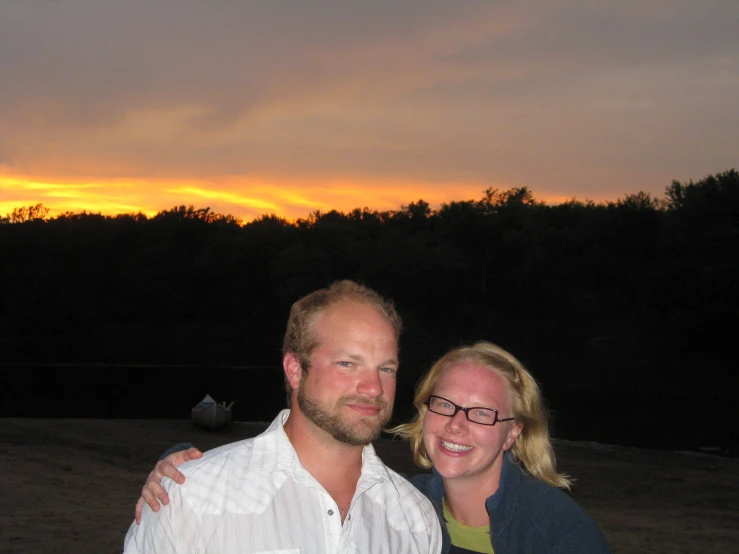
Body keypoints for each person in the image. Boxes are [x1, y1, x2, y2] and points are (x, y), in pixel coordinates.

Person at [137, 341, 612, 553]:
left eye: (482, 412)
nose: (457, 425)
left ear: (513, 432)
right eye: (444, 404)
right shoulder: (405, 506)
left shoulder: (558, 534)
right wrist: (182, 463)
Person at [123, 280, 441, 553]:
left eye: (386, 369)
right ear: (294, 370)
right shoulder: (192, 496)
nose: (374, 388)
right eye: (347, 364)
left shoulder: (414, 519)